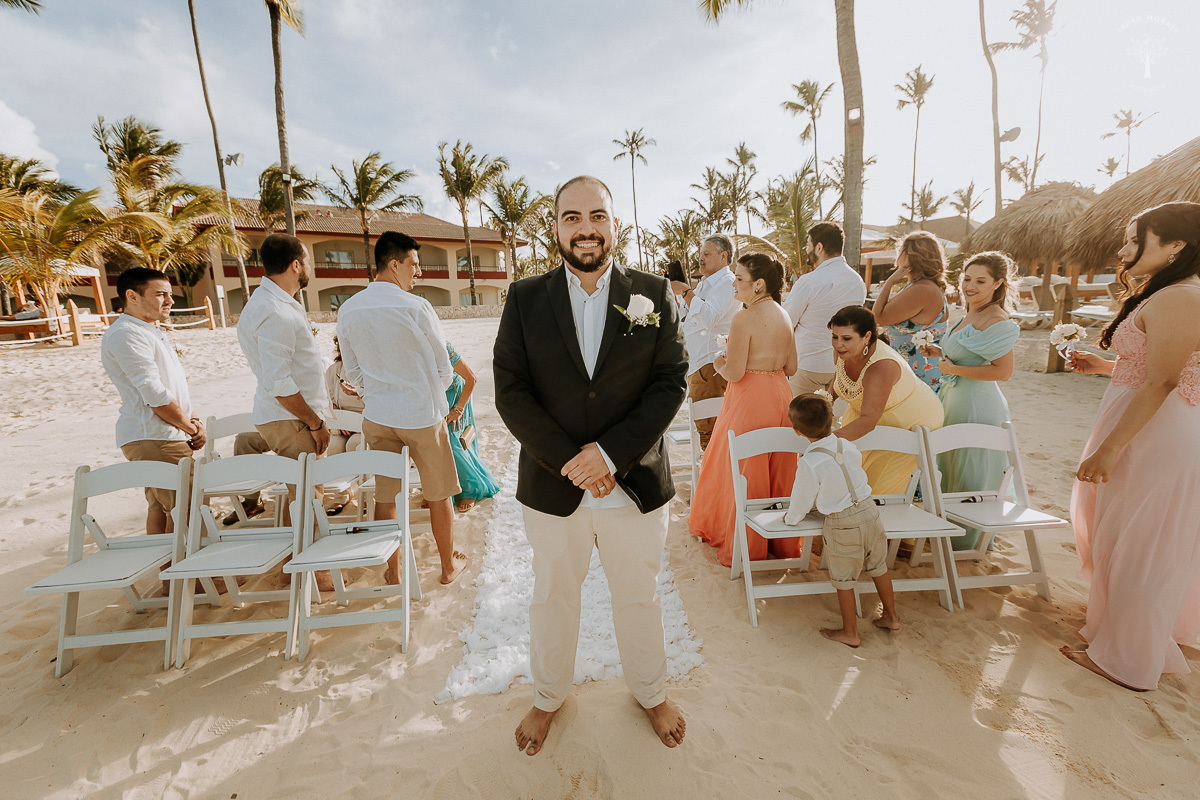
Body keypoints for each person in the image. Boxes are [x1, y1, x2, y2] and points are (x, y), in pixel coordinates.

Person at [494, 175, 688, 756]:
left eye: (597, 216)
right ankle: (548, 697)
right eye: (572, 217)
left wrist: (607, 454)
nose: (585, 228)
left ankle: (651, 692)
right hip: (555, 486)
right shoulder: (524, 299)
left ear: (615, 225)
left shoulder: (653, 294)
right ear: (554, 227)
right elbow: (511, 390)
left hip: (633, 480)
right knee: (552, 595)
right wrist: (570, 461)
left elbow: (668, 382)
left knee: (639, 594)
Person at [1064, 201, 1200, 691]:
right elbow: (1164, 366)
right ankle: (1128, 638)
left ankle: (1129, 659)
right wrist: (1105, 368)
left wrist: (1110, 449)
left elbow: (1164, 381)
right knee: (1125, 534)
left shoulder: (1182, 296)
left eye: (1134, 238)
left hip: (1155, 433)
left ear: (1176, 246)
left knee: (1142, 543)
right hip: (1147, 425)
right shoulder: (1168, 294)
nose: (1123, 250)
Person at [337, 231, 466, 587]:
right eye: (414, 264)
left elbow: (352, 372)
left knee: (386, 496)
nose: (418, 272)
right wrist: (423, 393)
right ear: (394, 264)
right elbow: (445, 369)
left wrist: (378, 394)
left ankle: (393, 570)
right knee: (438, 494)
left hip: (378, 417)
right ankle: (447, 567)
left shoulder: (348, 309)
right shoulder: (416, 307)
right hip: (422, 415)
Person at [689, 252, 801, 567]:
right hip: (781, 395)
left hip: (750, 398)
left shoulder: (744, 318)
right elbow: (791, 366)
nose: (734, 285)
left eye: (739, 280)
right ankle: (781, 542)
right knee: (779, 464)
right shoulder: (783, 313)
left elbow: (735, 373)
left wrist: (717, 362)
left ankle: (748, 545)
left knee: (743, 467)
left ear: (759, 284)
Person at [919, 252, 1020, 551]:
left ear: (998, 283)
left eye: (980, 281)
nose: (970, 286)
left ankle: (967, 539)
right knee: (950, 464)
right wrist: (939, 353)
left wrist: (952, 369)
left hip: (978, 402)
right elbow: (971, 352)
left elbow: (1003, 371)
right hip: (955, 397)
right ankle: (948, 529)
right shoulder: (969, 312)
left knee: (970, 468)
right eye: (966, 279)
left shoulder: (998, 319)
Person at [784, 393, 899, 647]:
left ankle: (850, 632)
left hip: (842, 521)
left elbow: (801, 500)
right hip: (870, 511)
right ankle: (891, 616)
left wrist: (791, 519)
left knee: (844, 579)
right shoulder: (847, 446)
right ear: (832, 418)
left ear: (796, 431)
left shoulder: (810, 462)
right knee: (879, 566)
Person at [100, 267, 205, 535]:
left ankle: (169, 575)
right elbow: (155, 395)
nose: (170, 300)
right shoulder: (127, 334)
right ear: (132, 296)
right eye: (161, 294)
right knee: (191, 507)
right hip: (156, 435)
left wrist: (188, 421)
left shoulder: (145, 329)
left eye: (169, 294)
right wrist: (189, 428)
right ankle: (206, 577)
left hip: (159, 433)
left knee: (160, 506)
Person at [236, 233, 331, 516]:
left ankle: (301, 555)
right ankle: (306, 559)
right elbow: (279, 381)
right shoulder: (274, 310)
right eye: (308, 261)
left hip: (284, 416)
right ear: (295, 266)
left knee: (301, 499)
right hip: (293, 420)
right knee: (307, 502)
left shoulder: (270, 302)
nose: (310, 267)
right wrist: (314, 422)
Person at [829, 305, 944, 495]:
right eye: (835, 336)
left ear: (866, 337)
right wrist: (826, 400)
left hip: (907, 422)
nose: (838, 344)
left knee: (873, 491)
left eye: (846, 338)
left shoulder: (880, 368)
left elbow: (868, 420)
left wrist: (825, 441)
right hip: (865, 415)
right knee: (846, 482)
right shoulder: (844, 351)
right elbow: (839, 377)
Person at [670, 233, 739, 449]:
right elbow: (686, 317)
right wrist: (678, 294)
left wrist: (686, 292)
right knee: (705, 430)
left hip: (711, 366)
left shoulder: (727, 283)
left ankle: (716, 480)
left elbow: (709, 318)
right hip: (699, 365)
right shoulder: (704, 285)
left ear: (723, 256)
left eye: (706, 254)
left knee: (710, 433)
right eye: (700, 253)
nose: (700, 258)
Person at [781, 221, 867, 396]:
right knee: (835, 421)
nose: (807, 250)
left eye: (808, 245)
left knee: (799, 420)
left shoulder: (808, 282)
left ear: (819, 248)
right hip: (843, 366)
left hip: (808, 365)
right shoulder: (857, 281)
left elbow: (786, 322)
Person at [873, 230, 950, 390]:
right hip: (921, 371)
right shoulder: (928, 286)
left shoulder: (922, 290)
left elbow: (877, 317)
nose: (897, 255)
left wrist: (889, 282)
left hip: (916, 376)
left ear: (912, 256)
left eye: (901, 250)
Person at [444, 341, 498, 512]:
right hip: (435, 400)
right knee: (438, 445)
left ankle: (471, 490)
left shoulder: (444, 346)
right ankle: (446, 491)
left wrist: (459, 409)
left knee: (455, 443)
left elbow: (471, 378)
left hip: (455, 396)